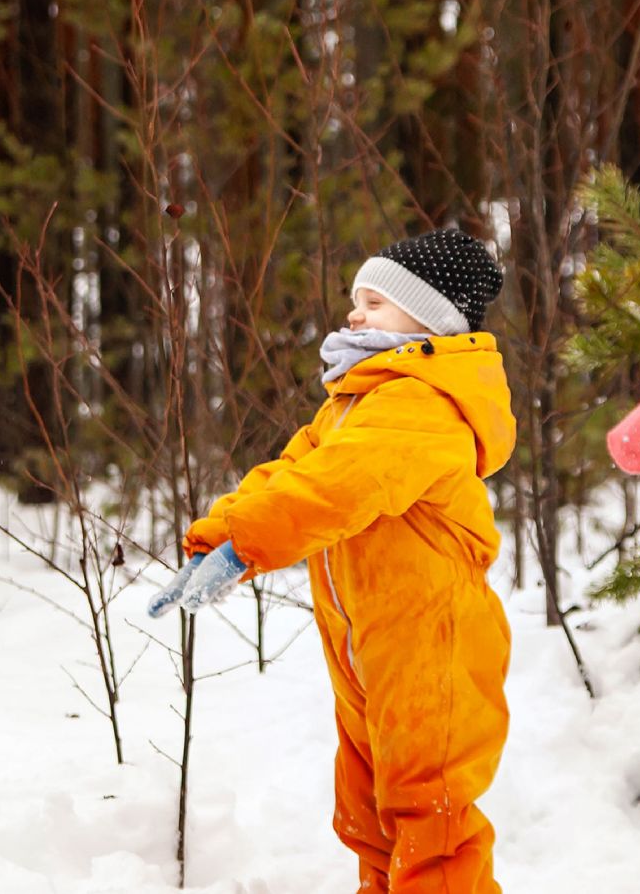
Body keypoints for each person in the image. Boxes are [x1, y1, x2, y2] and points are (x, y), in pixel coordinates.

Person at [150, 228, 516, 893]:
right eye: (356, 301)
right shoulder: (357, 401)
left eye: (375, 303)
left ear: (430, 317)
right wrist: (217, 536)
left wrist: (246, 547)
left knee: (429, 812)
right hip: (366, 643)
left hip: (431, 641)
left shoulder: (421, 403)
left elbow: (334, 489)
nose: (356, 314)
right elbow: (290, 473)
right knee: (368, 808)